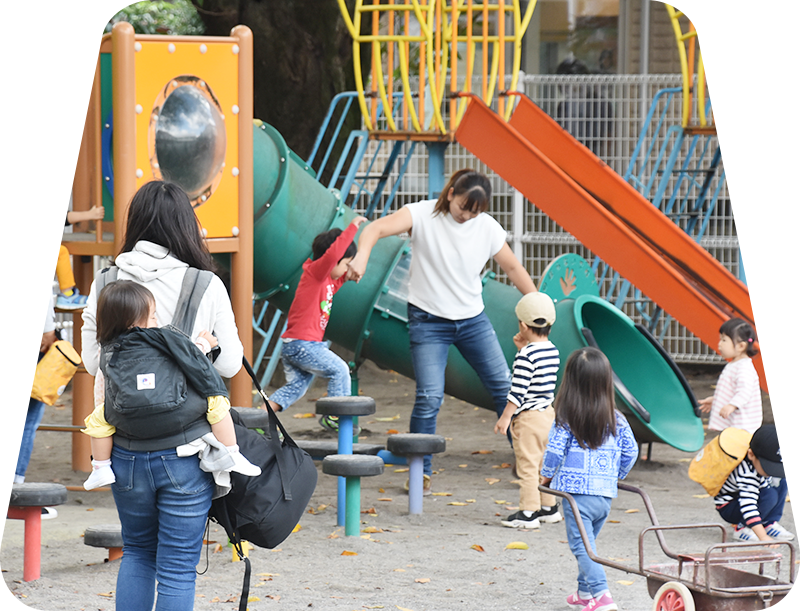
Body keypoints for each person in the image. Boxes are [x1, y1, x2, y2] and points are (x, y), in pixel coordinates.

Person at [347, 169, 537, 492]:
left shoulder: (486, 227)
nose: (467, 216)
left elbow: (513, 267)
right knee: (430, 395)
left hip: (472, 320)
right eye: (464, 207)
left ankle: (529, 462)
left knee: (506, 388)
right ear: (451, 194)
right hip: (428, 321)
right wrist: (362, 257)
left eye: (475, 211)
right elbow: (376, 228)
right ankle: (420, 469)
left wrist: (535, 302)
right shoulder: (421, 215)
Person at [82, 280, 259, 491]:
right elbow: (188, 355)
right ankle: (231, 452)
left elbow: (102, 381)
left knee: (97, 421)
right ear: (133, 321)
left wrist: (103, 407)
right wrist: (206, 343)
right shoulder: (161, 339)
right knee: (217, 402)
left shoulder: (108, 348)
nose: (156, 320)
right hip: (175, 427)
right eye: (153, 315)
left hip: (124, 418)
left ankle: (100, 467)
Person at [81, 180, 243, 383]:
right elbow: (229, 365)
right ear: (186, 226)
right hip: (189, 413)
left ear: (134, 223)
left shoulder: (105, 281)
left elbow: (92, 363)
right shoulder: (207, 284)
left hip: (122, 411)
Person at [540, 347, 638, 611]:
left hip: (576, 498)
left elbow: (554, 451)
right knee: (588, 545)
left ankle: (603, 597)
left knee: (582, 548)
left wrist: (546, 475)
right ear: (606, 383)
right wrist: (614, 476)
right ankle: (585, 593)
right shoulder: (615, 419)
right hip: (604, 498)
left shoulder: (565, 419)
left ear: (569, 383)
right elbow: (631, 451)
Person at [267, 217, 366, 432]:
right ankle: (335, 416)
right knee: (340, 369)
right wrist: (352, 228)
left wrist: (349, 277)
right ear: (335, 259)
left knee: (296, 387)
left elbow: (336, 280)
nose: (348, 268)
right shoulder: (316, 272)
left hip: (298, 344)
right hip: (303, 344)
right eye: (347, 263)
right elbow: (333, 255)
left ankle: (260, 417)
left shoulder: (327, 281)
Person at [0, 141, 57, 485]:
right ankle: (10, 492)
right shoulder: (32, 216)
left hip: (0, 324)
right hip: (25, 328)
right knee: (25, 411)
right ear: (38, 178)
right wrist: (48, 328)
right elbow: (37, 278)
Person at [494, 292, 561, 529]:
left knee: (528, 465)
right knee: (545, 463)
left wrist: (505, 417)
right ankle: (549, 507)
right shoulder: (552, 350)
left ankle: (529, 513)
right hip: (547, 415)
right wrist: (524, 348)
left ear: (523, 325)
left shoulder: (525, 356)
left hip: (529, 418)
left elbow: (518, 390)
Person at [715, 424, 795, 542]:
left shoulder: (758, 466)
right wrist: (762, 536)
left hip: (751, 495)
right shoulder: (747, 473)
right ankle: (742, 528)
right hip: (730, 506)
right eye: (769, 467)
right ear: (751, 454)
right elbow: (748, 505)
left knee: (781, 483)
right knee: (770, 495)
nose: (773, 471)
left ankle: (768, 523)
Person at [36, 182, 104, 309]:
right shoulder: (40, 214)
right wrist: (90, 215)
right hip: (34, 256)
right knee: (60, 252)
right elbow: (63, 218)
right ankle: (67, 294)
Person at [698, 318, 763, 433]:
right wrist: (716, 400)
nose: (719, 344)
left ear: (741, 346)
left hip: (742, 426)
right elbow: (731, 390)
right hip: (735, 427)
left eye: (724, 340)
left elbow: (744, 391)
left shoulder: (744, 368)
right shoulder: (734, 364)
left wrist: (732, 405)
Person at [759, 28, 800, 106]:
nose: (799, 57)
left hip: (781, 109)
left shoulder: (796, 70)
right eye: (797, 53)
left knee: (788, 101)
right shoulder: (770, 65)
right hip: (764, 107)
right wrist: (774, 85)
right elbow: (768, 75)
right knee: (759, 114)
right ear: (781, 52)